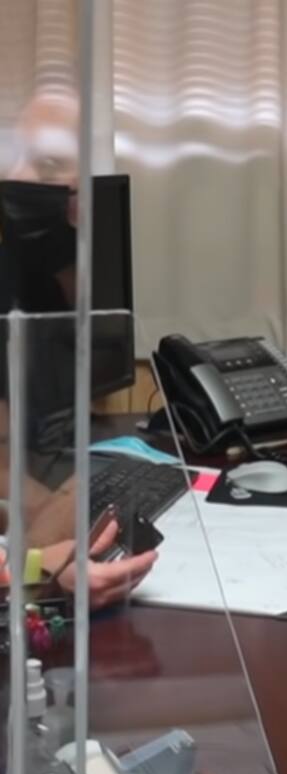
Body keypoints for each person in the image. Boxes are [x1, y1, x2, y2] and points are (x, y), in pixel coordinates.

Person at [0, 91, 155, 607]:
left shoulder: (53, 290)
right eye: (14, 157)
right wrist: (45, 565)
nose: (16, 177)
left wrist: (49, 558)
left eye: (44, 164)